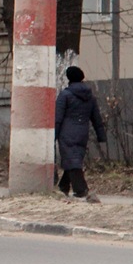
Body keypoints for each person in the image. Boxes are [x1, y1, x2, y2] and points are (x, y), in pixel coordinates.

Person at [56, 66, 107, 203]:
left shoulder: (65, 95)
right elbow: (96, 118)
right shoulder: (90, 97)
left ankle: (81, 190)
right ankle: (63, 187)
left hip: (67, 133)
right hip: (82, 133)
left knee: (72, 161)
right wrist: (101, 136)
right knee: (73, 159)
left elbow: (58, 118)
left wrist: (52, 135)